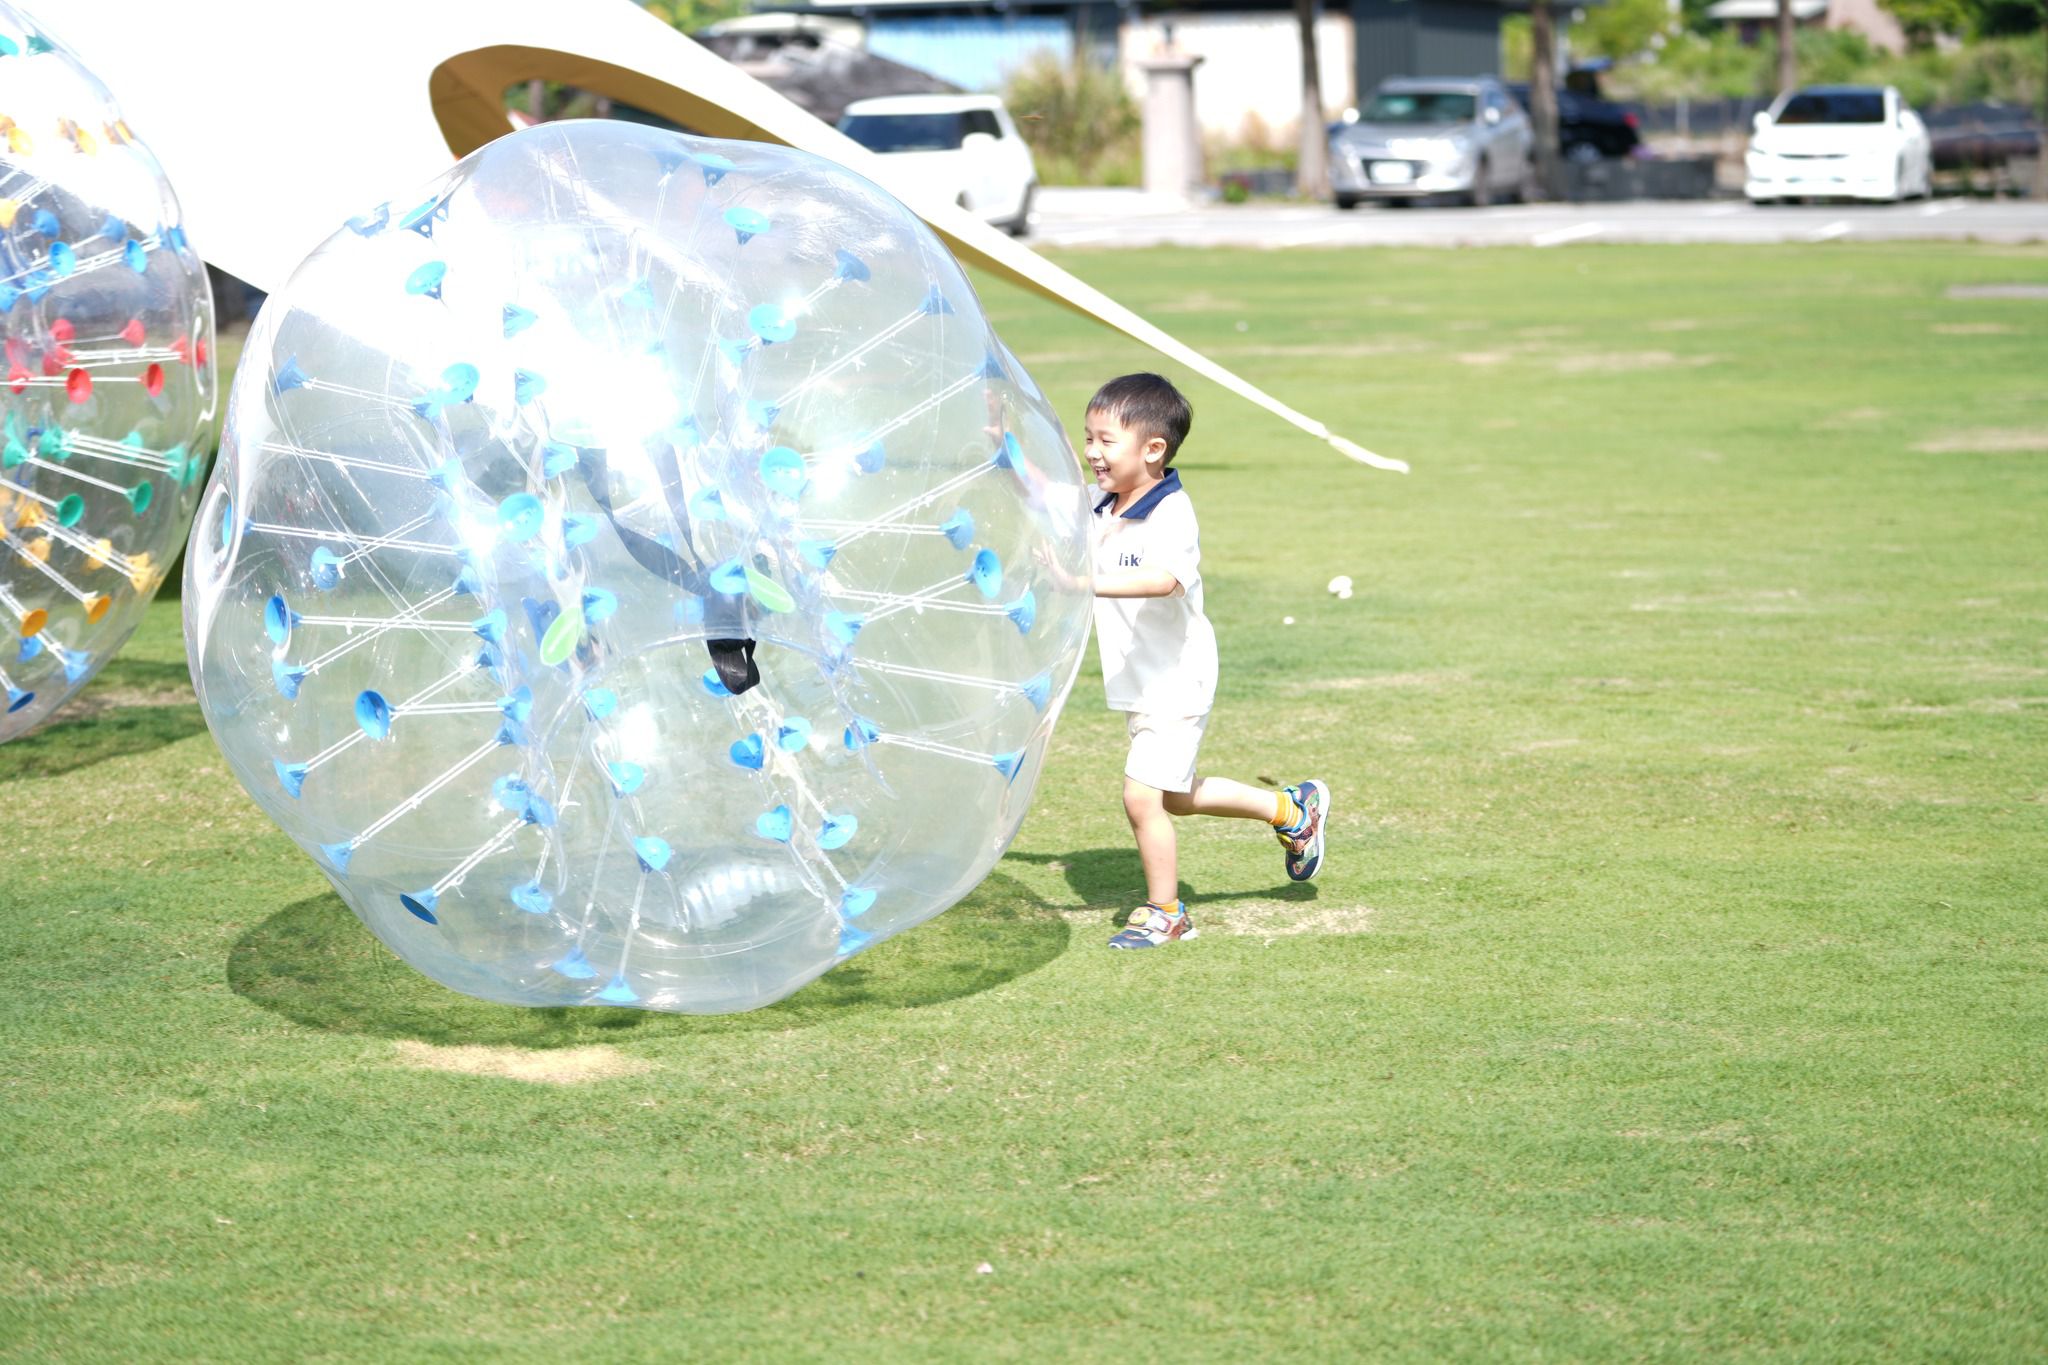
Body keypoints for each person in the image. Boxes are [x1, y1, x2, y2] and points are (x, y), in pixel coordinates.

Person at [1078, 373, 1328, 950]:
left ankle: (1167, 913)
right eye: (1087, 437)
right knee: (1173, 796)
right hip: (1140, 680)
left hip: (1176, 680)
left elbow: (1165, 579)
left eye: (1105, 440)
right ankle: (1291, 810)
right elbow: (1045, 490)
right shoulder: (1102, 501)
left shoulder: (1172, 512)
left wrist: (1085, 582)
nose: (1092, 451)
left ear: (1153, 449)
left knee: (1141, 797)